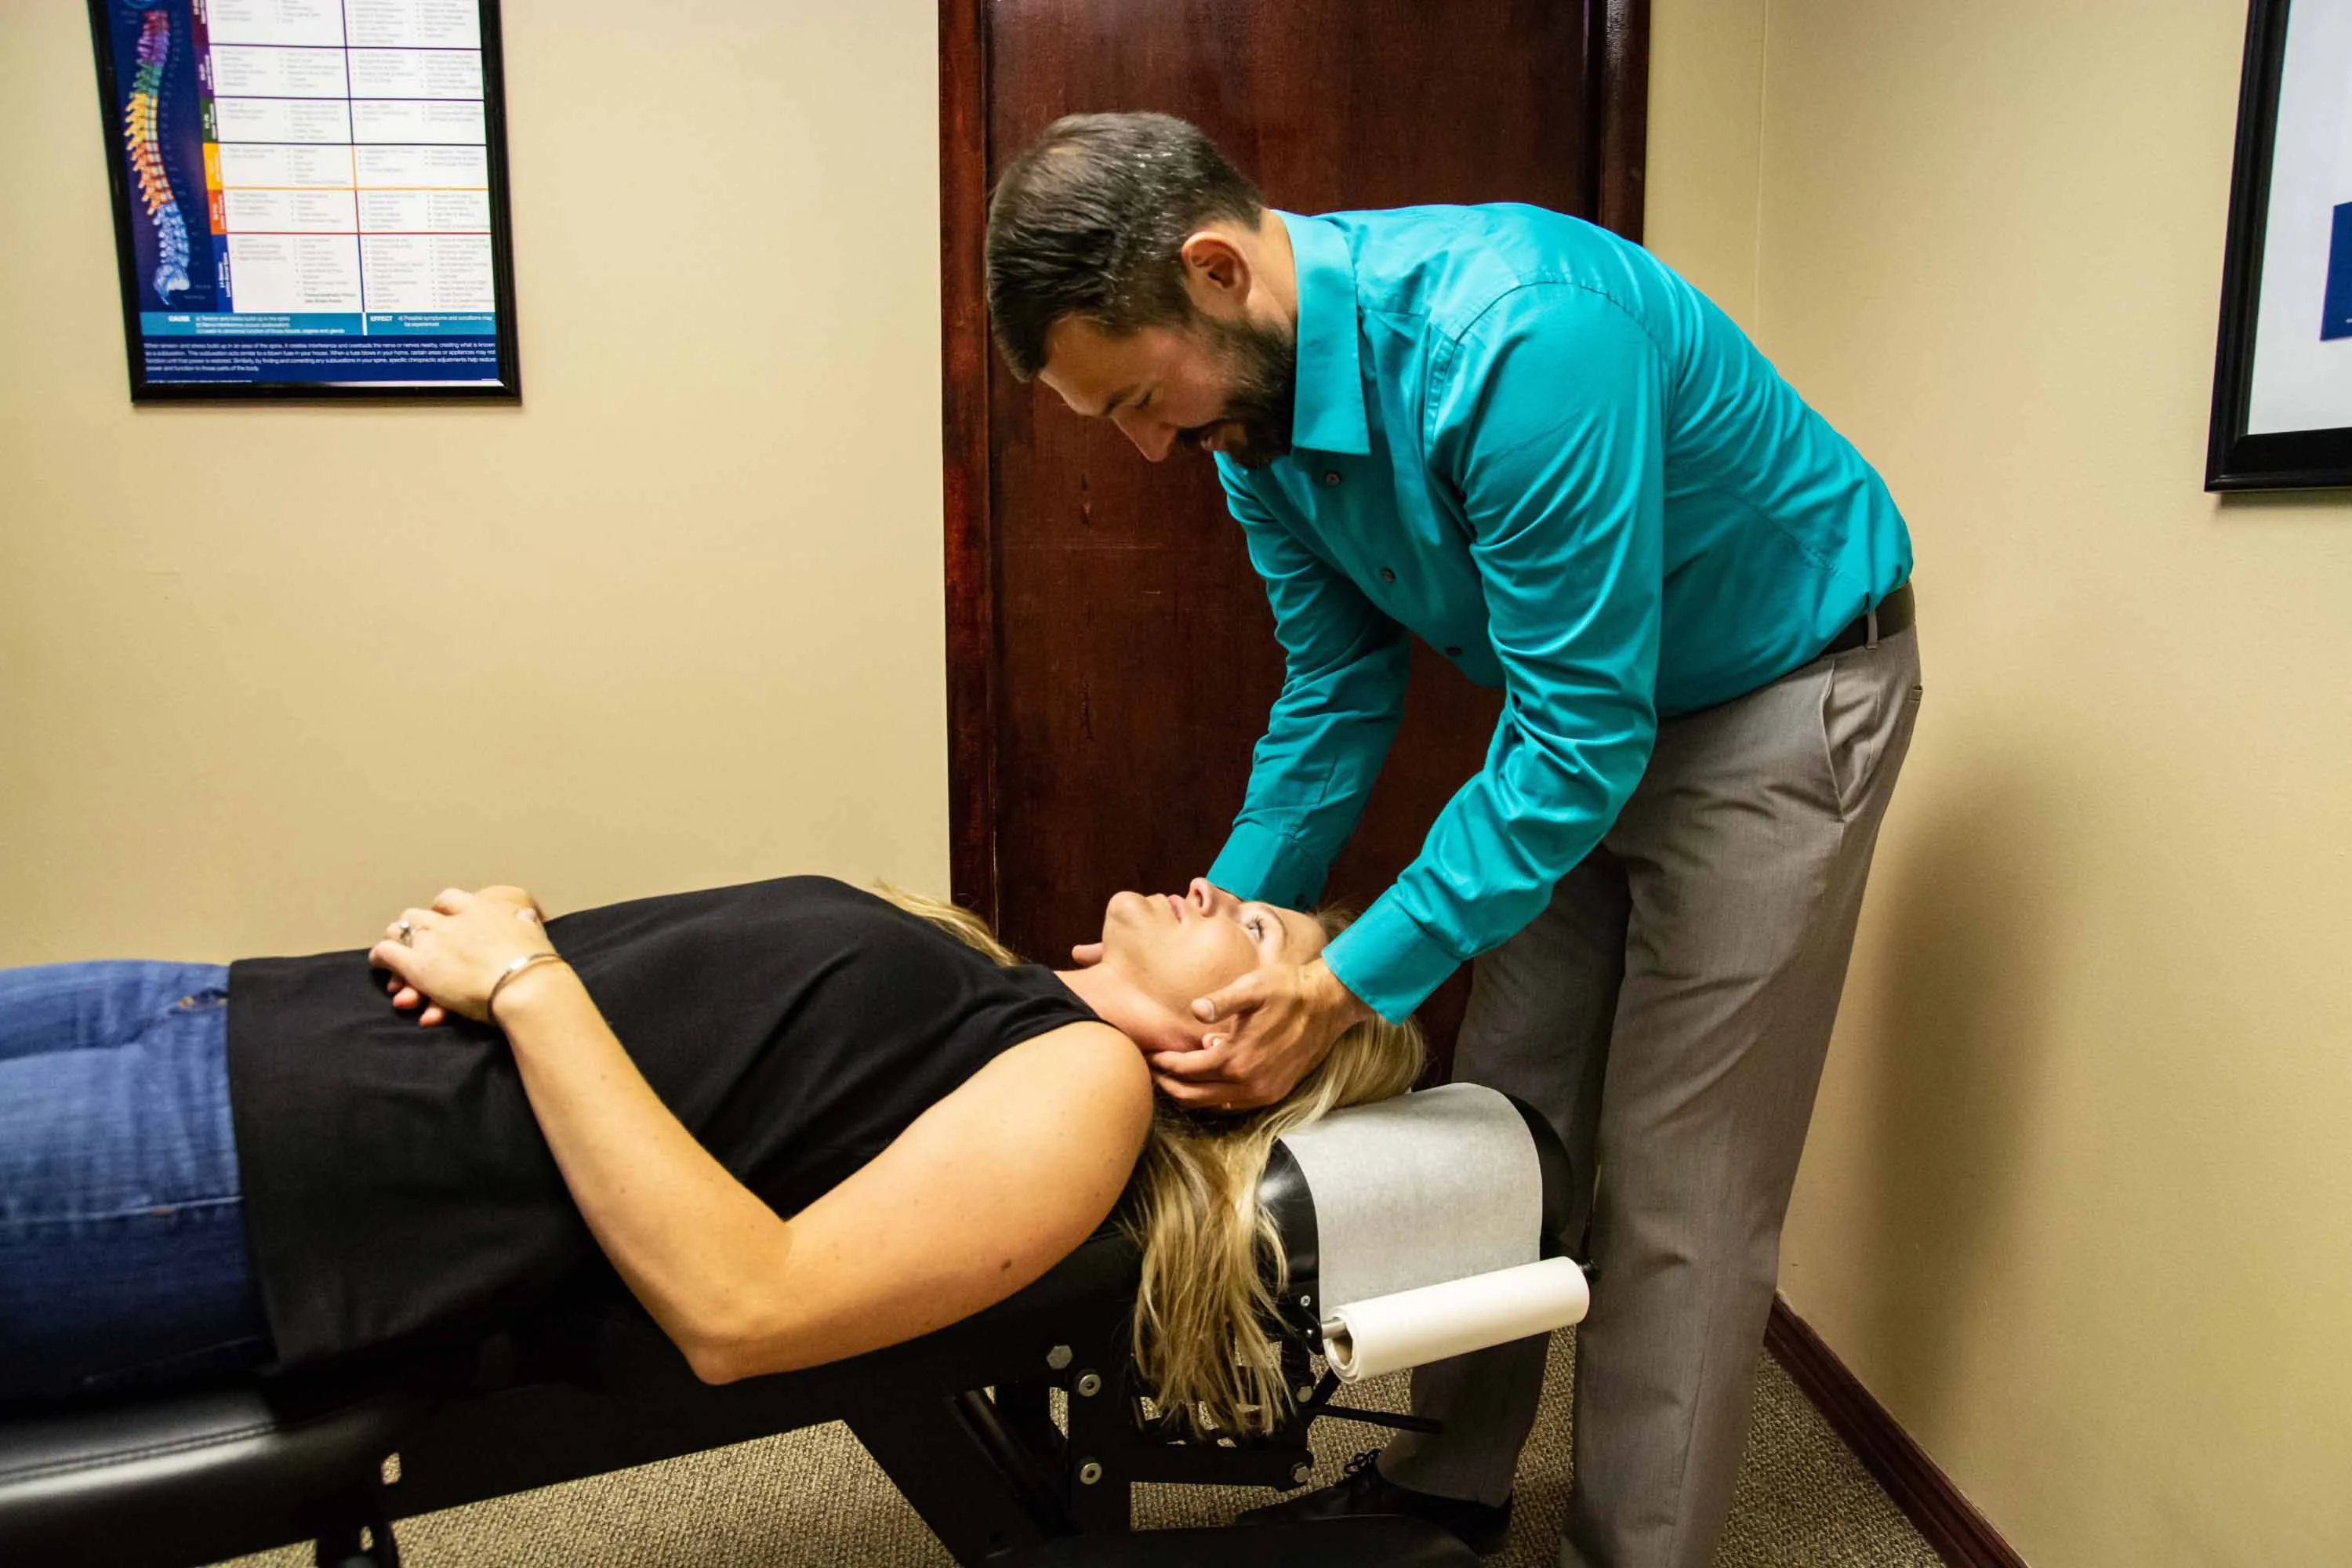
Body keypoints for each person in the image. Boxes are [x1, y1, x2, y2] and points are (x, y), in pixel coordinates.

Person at [985, 113, 1922, 1565]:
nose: (1151, 447)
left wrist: (1347, 982)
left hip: (1776, 698)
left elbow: (1581, 733)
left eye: (1135, 402)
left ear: (1217, 270)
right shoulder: (1256, 425)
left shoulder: (1521, 333)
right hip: (1579, 709)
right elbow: (1336, 694)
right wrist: (1223, 945)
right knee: (1507, 1113)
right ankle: (1445, 1489)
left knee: (1679, 1180)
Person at [0, 874, 1421, 1437]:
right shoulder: (997, 989)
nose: (1227, 890)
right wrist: (525, 938)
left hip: (254, 1166)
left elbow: (752, 1307)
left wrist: (533, 983)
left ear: (1232, 1052)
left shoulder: (1087, 1085)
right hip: (235, 1012)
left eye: (1260, 938)